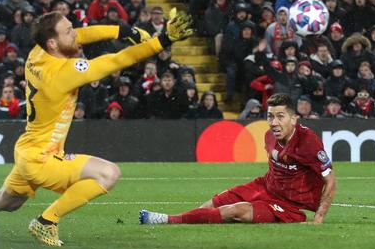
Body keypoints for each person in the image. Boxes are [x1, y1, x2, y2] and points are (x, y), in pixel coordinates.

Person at [0, 9, 193, 246]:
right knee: (108, 173)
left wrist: (123, 30)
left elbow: (82, 35)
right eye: (68, 31)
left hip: (28, 148)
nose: (76, 34)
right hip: (43, 158)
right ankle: (47, 221)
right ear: (53, 42)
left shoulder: (38, 54)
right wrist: (163, 40)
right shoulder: (63, 73)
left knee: (5, 201)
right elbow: (117, 61)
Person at [139, 93, 337, 224]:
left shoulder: (308, 141)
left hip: (288, 205)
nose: (274, 123)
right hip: (265, 186)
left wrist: (319, 217)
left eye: (280, 116)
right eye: (270, 116)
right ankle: (190, 220)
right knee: (212, 204)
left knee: (236, 211)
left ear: (294, 119)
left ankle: (165, 219)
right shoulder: (269, 135)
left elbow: (330, 180)